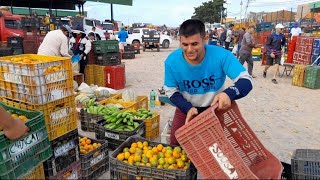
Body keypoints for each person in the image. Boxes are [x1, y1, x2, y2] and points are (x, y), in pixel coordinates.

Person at [163, 19, 253, 145]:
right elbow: (170, 90)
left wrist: (228, 94)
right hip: (186, 110)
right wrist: (187, 108)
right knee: (175, 146)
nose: (189, 49)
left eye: (194, 44)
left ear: (205, 39)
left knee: (214, 149)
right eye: (185, 44)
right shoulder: (172, 61)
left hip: (214, 111)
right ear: (180, 41)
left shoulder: (222, 55)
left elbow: (246, 80)